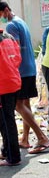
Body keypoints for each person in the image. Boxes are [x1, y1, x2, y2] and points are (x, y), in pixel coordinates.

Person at [0, 0, 49, 154]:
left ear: (5, 10)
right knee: (25, 105)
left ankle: (41, 137)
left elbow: (12, 51)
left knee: (18, 105)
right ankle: (25, 138)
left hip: (20, 70)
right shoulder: (20, 21)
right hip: (29, 67)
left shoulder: (10, 26)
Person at [0, 29, 21, 166]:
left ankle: (13, 156)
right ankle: (6, 151)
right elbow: (18, 58)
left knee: (7, 121)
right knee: (6, 119)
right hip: (13, 80)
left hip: (3, 84)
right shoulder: (8, 36)